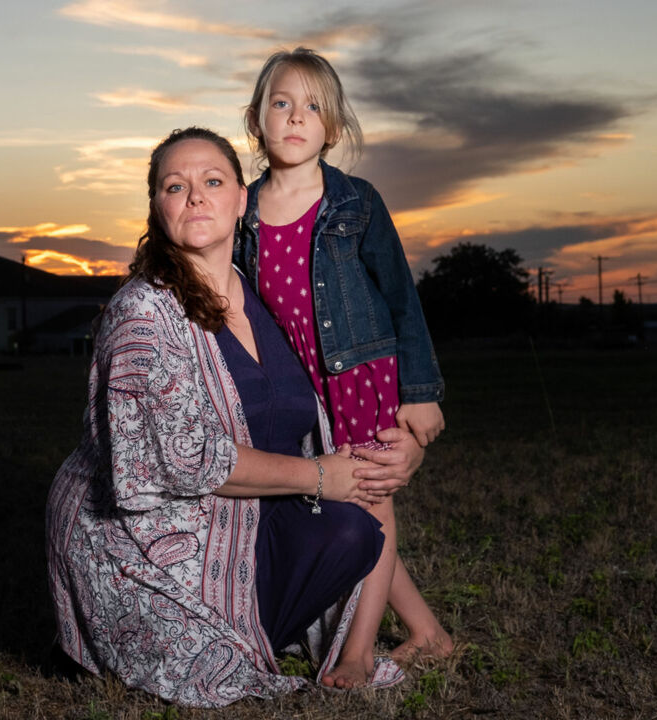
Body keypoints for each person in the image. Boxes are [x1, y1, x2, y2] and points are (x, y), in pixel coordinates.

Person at [45, 127, 423, 707]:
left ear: (242, 198)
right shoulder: (143, 314)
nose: (195, 196)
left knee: (351, 532)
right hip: (145, 534)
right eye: (176, 186)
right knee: (206, 654)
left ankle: (251, 623)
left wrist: (399, 443)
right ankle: (195, 630)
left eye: (212, 181)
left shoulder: (259, 291)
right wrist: (323, 476)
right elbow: (184, 457)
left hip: (248, 512)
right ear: (157, 207)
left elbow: (338, 384)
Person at [235, 48, 454, 689]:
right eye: (282, 103)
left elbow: (401, 299)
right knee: (345, 500)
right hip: (298, 389)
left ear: (333, 127)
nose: (297, 118)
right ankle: (429, 634)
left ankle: (357, 652)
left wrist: (420, 394)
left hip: (359, 376)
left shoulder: (355, 203)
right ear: (256, 119)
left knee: (371, 503)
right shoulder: (244, 214)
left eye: (314, 107)